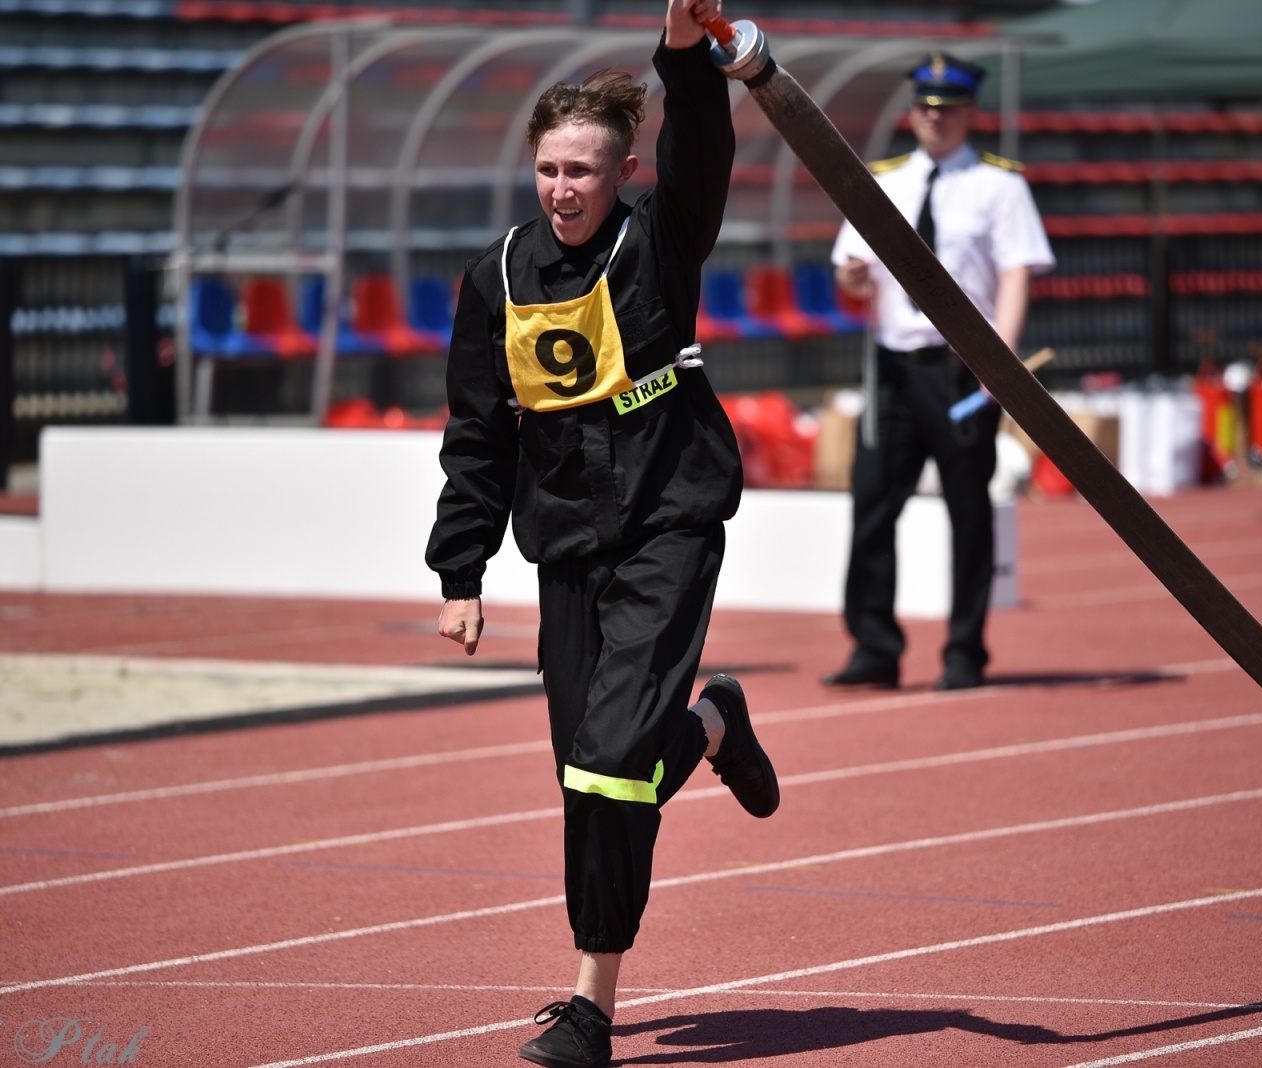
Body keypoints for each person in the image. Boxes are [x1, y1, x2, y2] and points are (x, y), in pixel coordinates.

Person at [424, 2, 779, 1065]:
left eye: (583, 171)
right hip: (567, 541)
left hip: (669, 519)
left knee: (610, 765)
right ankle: (713, 725)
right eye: (548, 171)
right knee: (590, 770)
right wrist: (460, 568)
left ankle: (591, 1004)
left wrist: (683, 54)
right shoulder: (493, 278)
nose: (563, 190)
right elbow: (476, 432)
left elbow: (704, 145)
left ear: (623, 171)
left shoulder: (660, 243)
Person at [823, 52, 1054, 693]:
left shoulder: (999, 185)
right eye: (925, 106)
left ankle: (964, 651)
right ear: (911, 111)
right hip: (893, 365)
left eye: (947, 108)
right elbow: (849, 271)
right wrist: (849, 277)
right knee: (872, 503)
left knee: (968, 512)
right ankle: (873, 645)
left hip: (961, 368)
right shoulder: (884, 180)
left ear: (968, 113)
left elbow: (1014, 275)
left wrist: (998, 364)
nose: (934, 117)